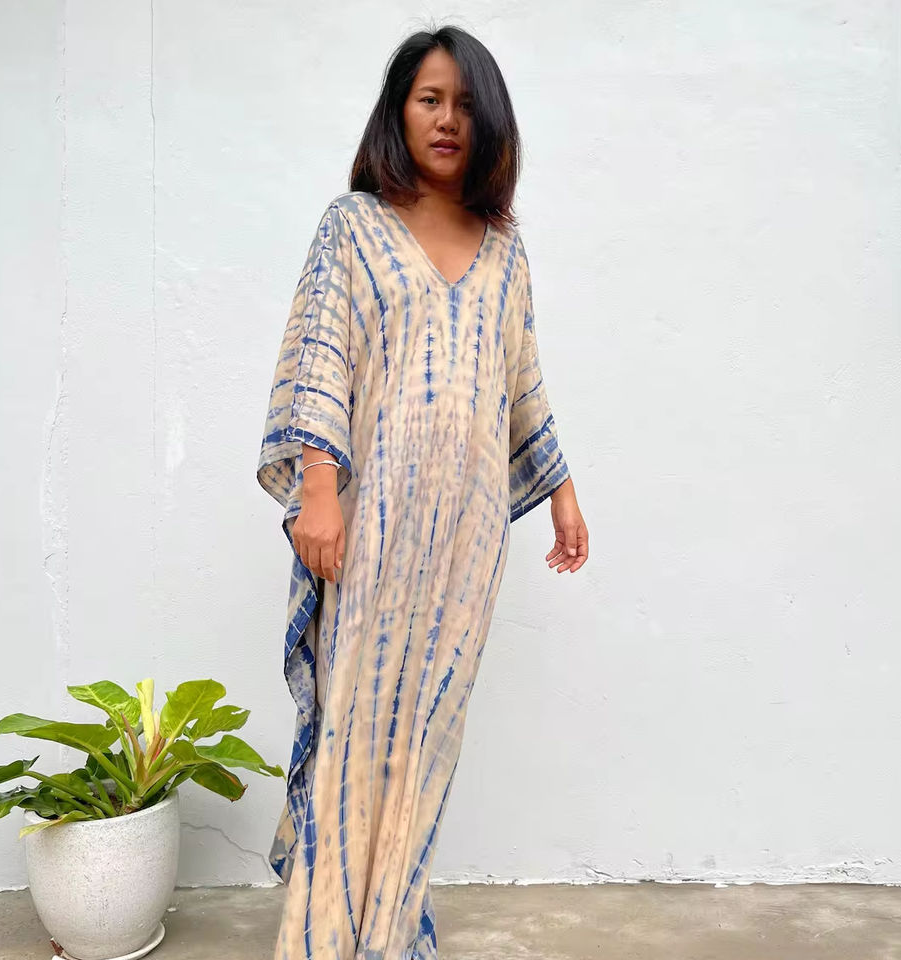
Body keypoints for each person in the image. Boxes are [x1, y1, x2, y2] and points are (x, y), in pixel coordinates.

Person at [256, 23, 589, 960]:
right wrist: (320, 491)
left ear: (491, 123)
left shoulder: (505, 249)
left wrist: (562, 491)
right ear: (399, 113)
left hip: (470, 537)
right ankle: (322, 938)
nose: (447, 120)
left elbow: (522, 379)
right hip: (372, 526)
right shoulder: (353, 226)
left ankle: (391, 930)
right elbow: (321, 358)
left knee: (429, 740)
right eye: (429, 100)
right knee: (357, 728)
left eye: (466, 104)